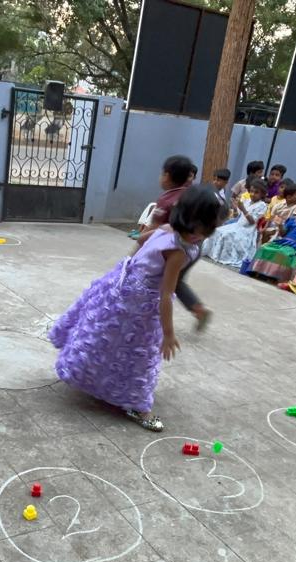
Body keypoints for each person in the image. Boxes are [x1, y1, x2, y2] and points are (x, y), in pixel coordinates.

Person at [50, 186, 222, 432]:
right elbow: (166, 294)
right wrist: (169, 333)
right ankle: (137, 406)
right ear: (191, 221)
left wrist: (129, 267)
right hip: (141, 303)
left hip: (122, 287)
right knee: (139, 353)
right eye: (201, 229)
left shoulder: (167, 229)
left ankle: (89, 375)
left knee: (103, 335)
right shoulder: (178, 251)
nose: (202, 236)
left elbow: (141, 239)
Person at [137, 155, 213, 331]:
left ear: (166, 175)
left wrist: (134, 255)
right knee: (174, 281)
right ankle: (198, 309)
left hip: (175, 248)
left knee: (164, 284)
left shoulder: (166, 199)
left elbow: (150, 233)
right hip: (194, 246)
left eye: (161, 174)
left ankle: (192, 312)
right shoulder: (193, 195)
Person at [250, 196, 296, 283]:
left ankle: (273, 276)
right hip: (283, 242)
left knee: (283, 253)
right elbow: (283, 234)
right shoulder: (292, 219)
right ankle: (259, 271)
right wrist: (280, 225)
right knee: (265, 247)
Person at [207, 178, 267, 270]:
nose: (252, 194)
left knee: (228, 235)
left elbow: (252, 221)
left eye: (256, 192)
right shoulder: (247, 201)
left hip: (247, 230)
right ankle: (212, 253)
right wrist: (235, 208)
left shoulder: (262, 205)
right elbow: (238, 216)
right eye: (251, 191)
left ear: (262, 194)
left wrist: (243, 209)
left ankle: (224, 257)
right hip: (237, 225)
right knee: (217, 230)